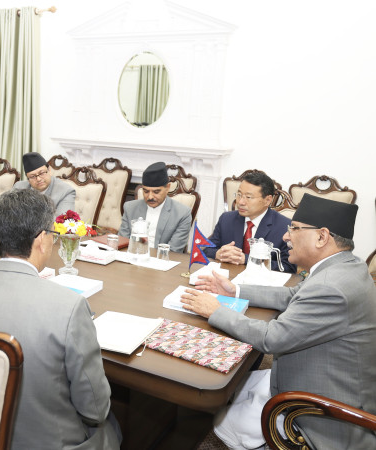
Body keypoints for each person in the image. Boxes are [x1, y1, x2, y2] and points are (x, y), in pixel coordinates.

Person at [181, 194, 376, 450]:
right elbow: (293, 294)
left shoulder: (331, 286)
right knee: (230, 388)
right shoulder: (345, 266)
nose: (285, 236)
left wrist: (216, 310)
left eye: (294, 229)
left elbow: (271, 338)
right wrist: (234, 291)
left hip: (325, 408)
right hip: (323, 373)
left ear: (322, 237)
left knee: (223, 420)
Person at [0, 189, 121, 450]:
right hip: (49, 443)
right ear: (41, 239)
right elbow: (95, 410)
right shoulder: (69, 307)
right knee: (113, 425)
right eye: (51, 234)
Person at [203, 170, 295, 273]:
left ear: (268, 200)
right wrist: (219, 254)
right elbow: (207, 249)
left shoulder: (284, 227)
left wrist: (248, 259)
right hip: (227, 277)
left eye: (248, 197)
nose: (241, 202)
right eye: (239, 194)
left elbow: (289, 267)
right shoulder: (226, 219)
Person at [117, 161, 192, 252]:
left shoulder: (182, 213)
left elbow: (173, 251)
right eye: (146, 191)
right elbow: (122, 243)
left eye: (156, 192)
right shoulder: (130, 208)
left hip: (162, 259)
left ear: (167, 188)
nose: (150, 197)